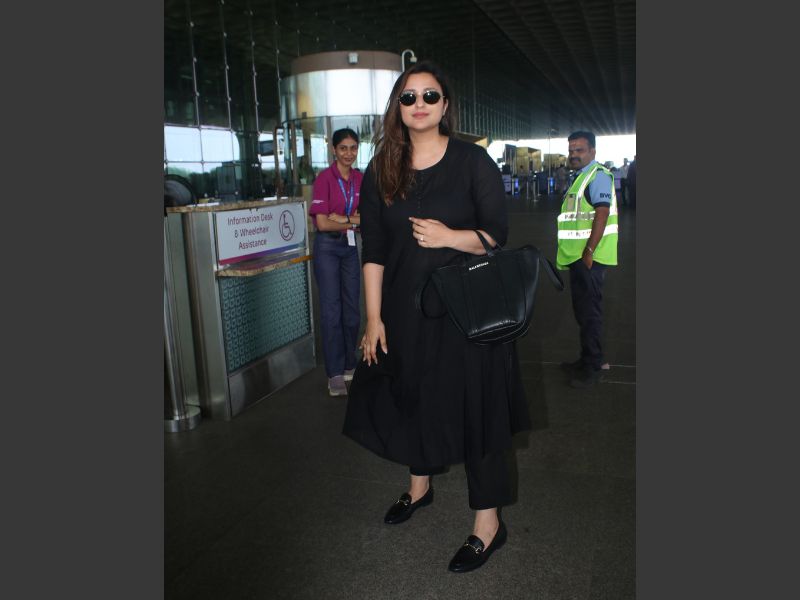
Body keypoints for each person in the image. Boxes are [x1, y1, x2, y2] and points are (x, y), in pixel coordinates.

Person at [342, 61, 529, 573]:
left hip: (467, 311)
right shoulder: (382, 168)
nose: (419, 104)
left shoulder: (472, 161)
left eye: (430, 95)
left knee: (479, 408)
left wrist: (450, 237)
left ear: (445, 105)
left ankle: (488, 523)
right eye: (409, 97)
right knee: (411, 394)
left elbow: (496, 235)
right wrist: (374, 318)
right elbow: (374, 249)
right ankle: (419, 486)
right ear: (397, 108)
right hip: (404, 309)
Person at [557, 131, 619, 388]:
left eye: (579, 150)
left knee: (590, 313)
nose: (574, 154)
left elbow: (602, 214)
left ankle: (593, 367)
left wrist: (589, 251)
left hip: (589, 258)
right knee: (583, 311)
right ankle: (587, 359)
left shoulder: (598, 176)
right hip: (579, 257)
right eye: (571, 150)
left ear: (593, 151)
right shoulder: (581, 177)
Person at [309, 128, 363, 396]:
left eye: (353, 148)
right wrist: (352, 221)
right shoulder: (324, 179)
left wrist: (345, 219)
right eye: (343, 148)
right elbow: (322, 223)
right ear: (334, 150)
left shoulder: (360, 179)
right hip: (328, 247)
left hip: (349, 247)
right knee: (332, 311)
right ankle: (335, 373)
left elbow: (369, 216)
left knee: (352, 310)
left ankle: (350, 363)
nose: (348, 153)